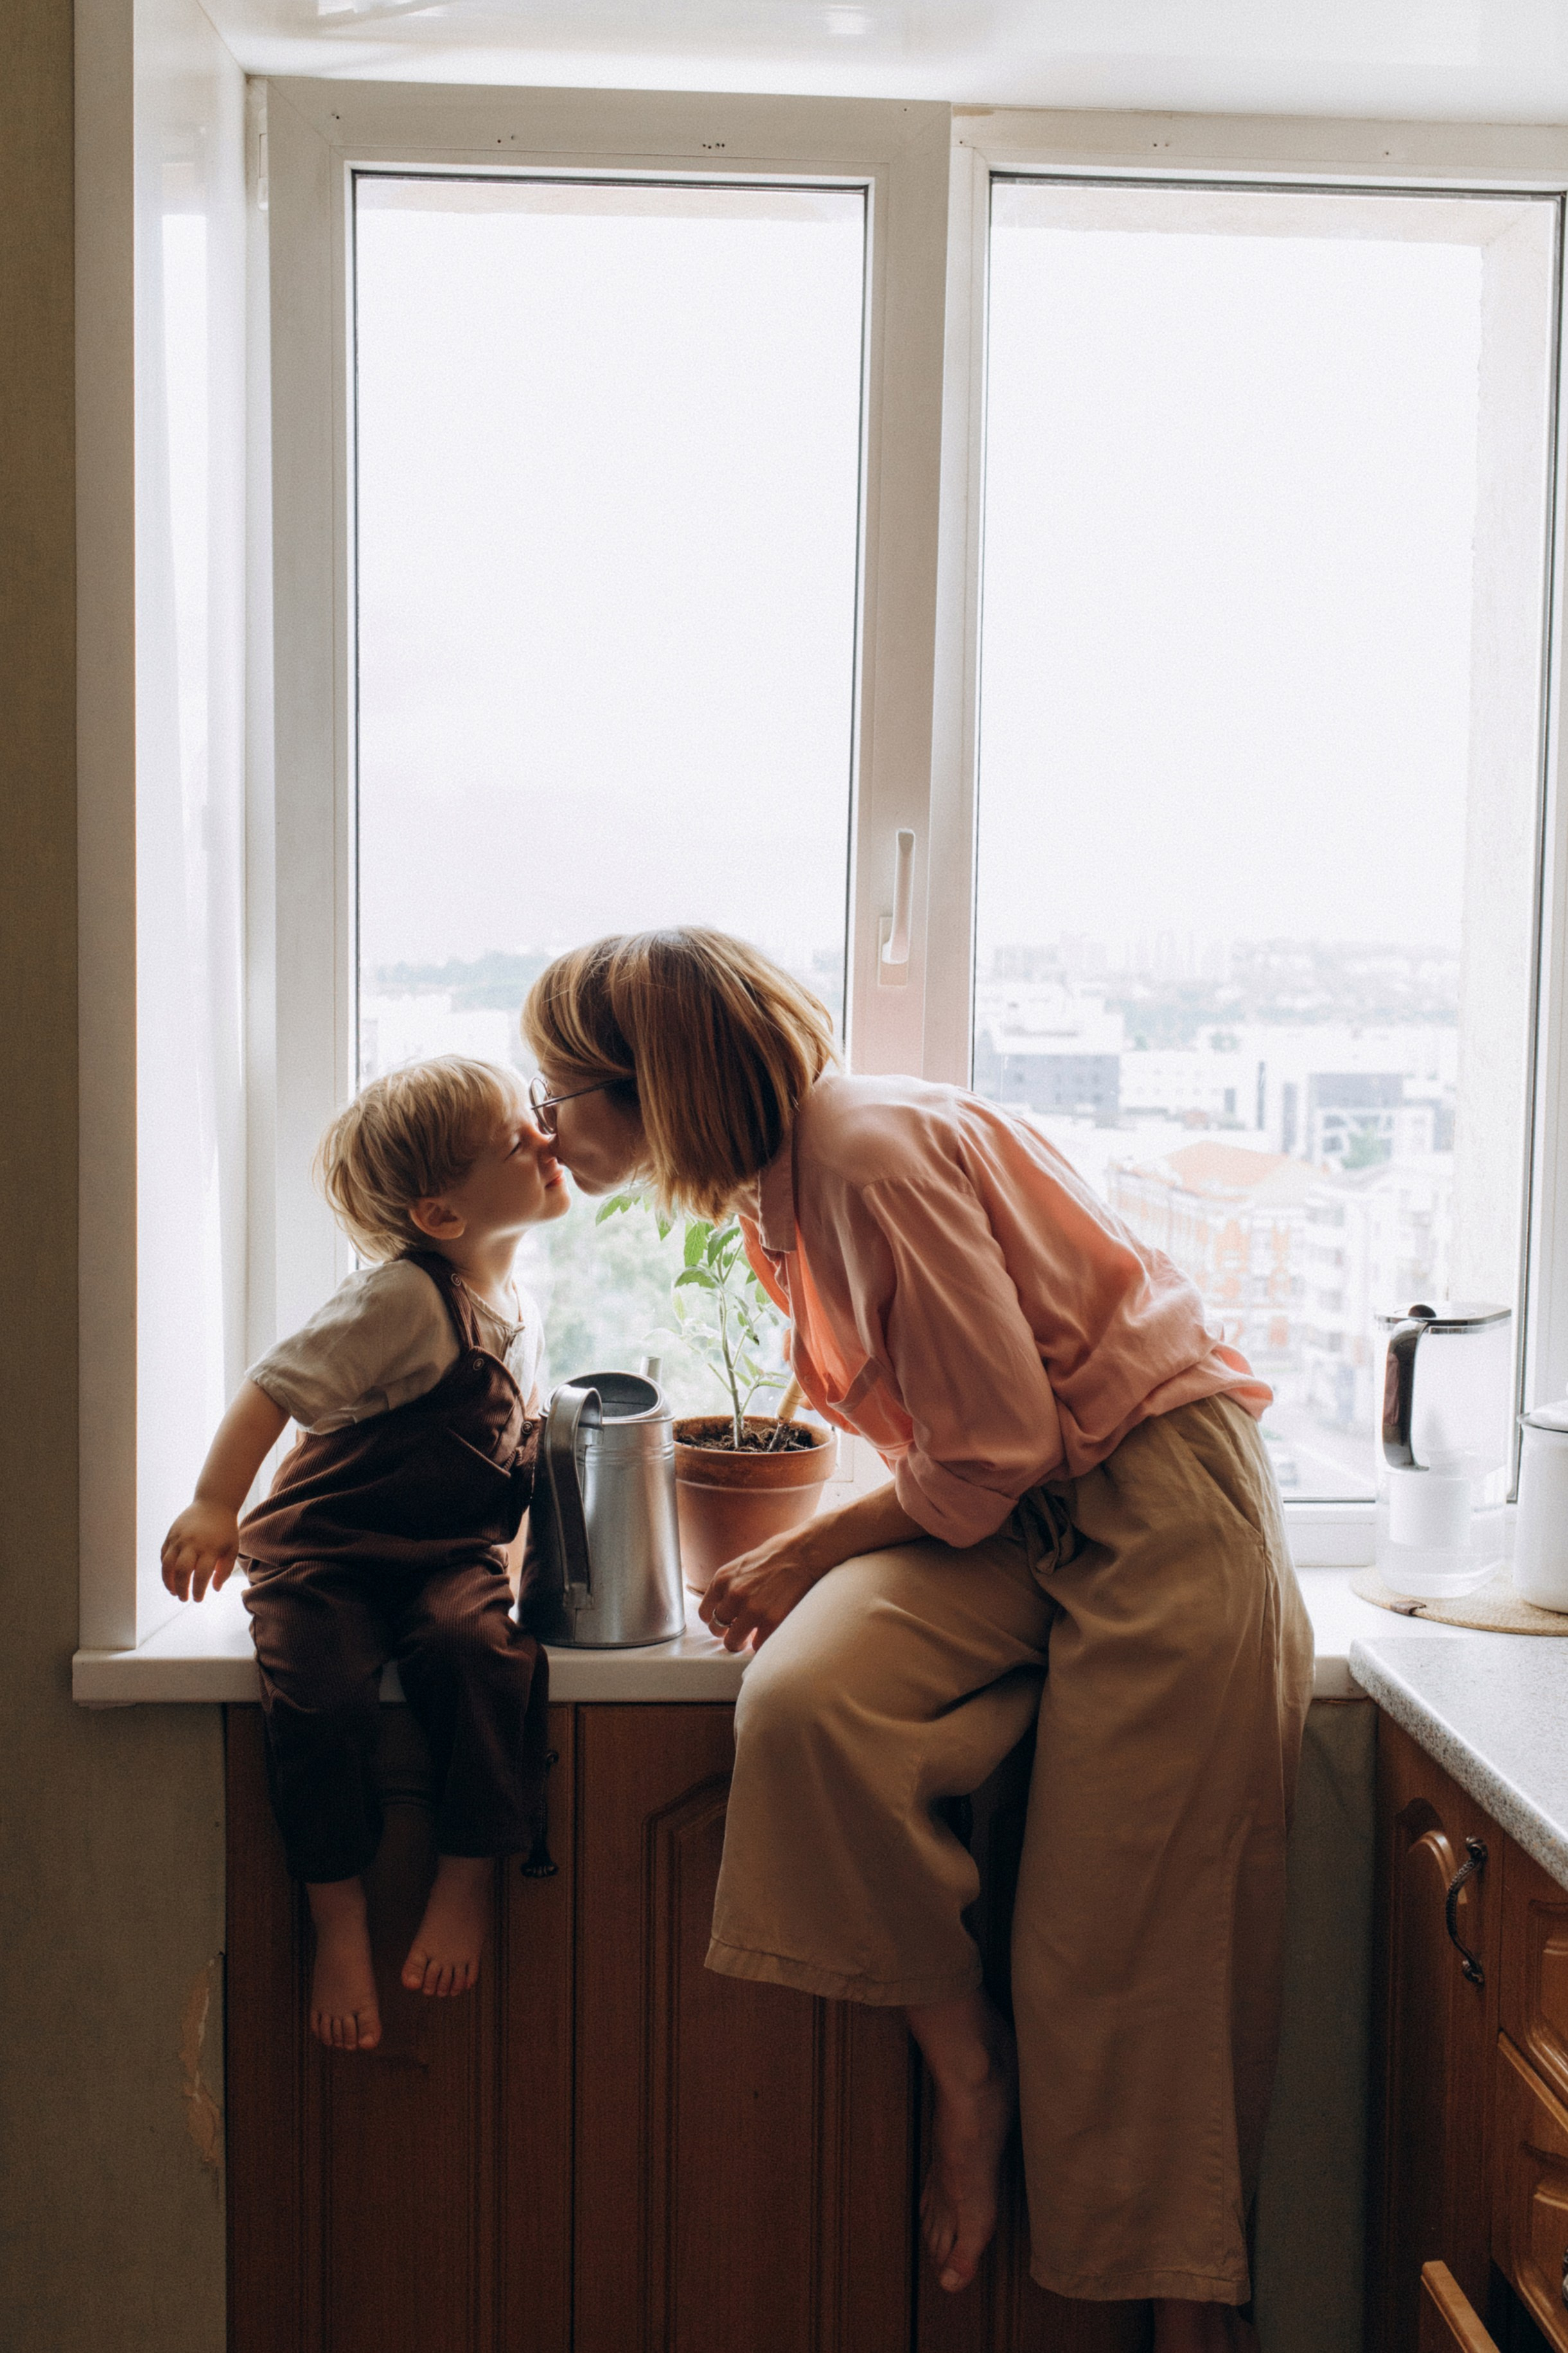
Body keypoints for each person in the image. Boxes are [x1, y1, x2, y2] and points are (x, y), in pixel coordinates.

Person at [522, 929, 1312, 2353]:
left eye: (560, 1087)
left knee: (1131, 1955)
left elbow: (995, 1442)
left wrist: (809, 1543)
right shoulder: (784, 1190)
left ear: (656, 1086)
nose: (542, 1120)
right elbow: (969, 1444)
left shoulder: (866, 1157)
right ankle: (967, 2070)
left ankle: (1196, 2330)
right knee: (810, 1712)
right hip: (1020, 1515)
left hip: (1157, 1506)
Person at [160, 1056, 568, 2053]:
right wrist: (217, 1503)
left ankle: (465, 1874)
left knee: (482, 1657)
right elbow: (273, 1386)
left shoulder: (519, 1301)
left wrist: (515, 1557)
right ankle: (335, 1916)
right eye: (519, 1138)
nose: (548, 1138)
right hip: (327, 1554)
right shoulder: (399, 1297)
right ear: (438, 1214)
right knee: (320, 1692)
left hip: (440, 1554)